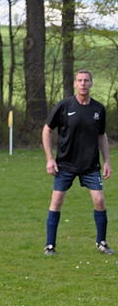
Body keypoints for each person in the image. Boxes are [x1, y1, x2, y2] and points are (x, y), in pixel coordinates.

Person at [42, 69, 112, 256]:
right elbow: (47, 130)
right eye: (80, 80)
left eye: (86, 80)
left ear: (91, 83)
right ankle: (50, 246)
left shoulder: (98, 109)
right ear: (75, 83)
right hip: (65, 164)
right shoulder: (65, 105)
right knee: (56, 201)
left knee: (99, 200)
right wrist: (49, 159)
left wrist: (107, 161)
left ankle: (102, 242)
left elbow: (101, 135)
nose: (83, 83)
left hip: (90, 165)